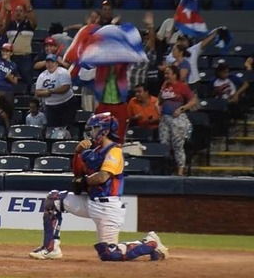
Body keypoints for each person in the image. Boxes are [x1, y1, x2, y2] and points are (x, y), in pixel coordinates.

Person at [29, 112, 169, 262]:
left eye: (95, 128)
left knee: (109, 254)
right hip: (90, 201)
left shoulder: (115, 151)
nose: (91, 132)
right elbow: (77, 173)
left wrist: (85, 181)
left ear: (105, 131)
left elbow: (103, 176)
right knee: (53, 200)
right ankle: (50, 248)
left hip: (107, 207)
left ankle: (150, 243)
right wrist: (77, 153)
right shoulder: (93, 152)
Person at [158, 65, 198, 176]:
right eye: (165, 73)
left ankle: (180, 171)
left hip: (177, 119)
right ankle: (166, 170)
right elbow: (159, 99)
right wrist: (157, 105)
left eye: (168, 73)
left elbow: (193, 101)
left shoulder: (182, 86)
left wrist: (181, 108)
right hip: (165, 119)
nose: (166, 76)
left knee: (177, 145)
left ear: (175, 75)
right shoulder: (165, 85)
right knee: (164, 145)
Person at [35, 54, 76, 138]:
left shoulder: (62, 72)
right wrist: (50, 92)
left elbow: (65, 88)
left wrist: (49, 91)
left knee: (66, 127)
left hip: (66, 103)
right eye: (48, 62)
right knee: (52, 128)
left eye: (52, 62)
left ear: (56, 63)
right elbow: (37, 93)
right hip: (50, 106)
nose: (50, 64)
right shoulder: (42, 75)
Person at [0, 0, 37, 90]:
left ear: (25, 14)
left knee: (27, 79)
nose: (18, 13)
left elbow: (35, 23)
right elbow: (5, 25)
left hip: (25, 57)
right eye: (16, 11)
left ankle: (29, 97)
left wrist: (30, 10)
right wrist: (8, 12)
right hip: (11, 57)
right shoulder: (10, 24)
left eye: (21, 11)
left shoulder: (29, 24)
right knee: (8, 78)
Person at [0, 43, 18, 126]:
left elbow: (16, 82)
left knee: (7, 114)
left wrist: (10, 78)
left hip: (8, 92)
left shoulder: (14, 65)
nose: (4, 53)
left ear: (11, 53)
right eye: (3, 51)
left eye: (7, 51)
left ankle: (7, 133)